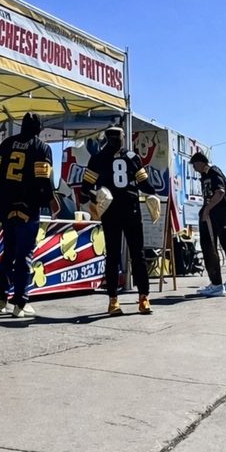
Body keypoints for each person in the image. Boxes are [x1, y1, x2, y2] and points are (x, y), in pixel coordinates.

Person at [78, 127, 154, 315]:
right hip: (126, 210)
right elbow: (145, 185)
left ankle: (119, 300)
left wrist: (96, 198)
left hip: (116, 211)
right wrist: (152, 194)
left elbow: (85, 189)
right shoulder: (131, 157)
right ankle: (138, 298)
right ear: (123, 137)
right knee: (134, 255)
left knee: (117, 256)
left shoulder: (98, 158)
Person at [0, 113, 54, 318]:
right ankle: (20, 303)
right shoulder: (42, 147)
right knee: (24, 255)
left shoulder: (7, 143)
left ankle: (0, 299)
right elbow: (44, 180)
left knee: (8, 253)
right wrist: (47, 201)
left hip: (7, 208)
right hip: (28, 209)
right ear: (39, 129)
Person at [189, 151, 226, 297]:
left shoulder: (213, 172)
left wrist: (208, 209)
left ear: (200, 163)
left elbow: (220, 192)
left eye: (195, 165)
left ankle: (218, 284)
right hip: (215, 214)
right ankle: (224, 281)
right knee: (216, 246)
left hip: (216, 215)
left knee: (210, 246)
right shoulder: (205, 176)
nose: (194, 169)